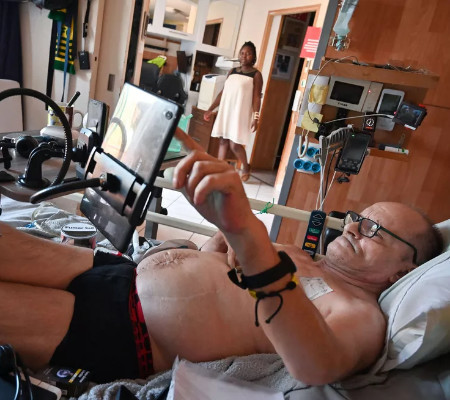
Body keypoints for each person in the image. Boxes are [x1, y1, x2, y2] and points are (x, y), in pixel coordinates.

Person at [0, 132, 443, 387]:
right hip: (120, 274)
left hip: (127, 331)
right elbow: (218, 264)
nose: (353, 228)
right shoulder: (299, 256)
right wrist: (220, 227)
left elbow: (318, 365)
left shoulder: (360, 314)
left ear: (403, 271)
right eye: (358, 218)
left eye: (375, 230)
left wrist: (249, 237)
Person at [204, 41, 263, 182]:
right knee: (223, 140)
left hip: (240, 113)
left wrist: (256, 117)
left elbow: (256, 98)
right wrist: (210, 109)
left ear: (253, 57)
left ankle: (246, 167)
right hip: (227, 110)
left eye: (248, 54)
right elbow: (223, 92)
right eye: (242, 53)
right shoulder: (232, 71)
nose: (244, 56)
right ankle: (219, 170)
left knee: (234, 144)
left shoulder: (256, 75)